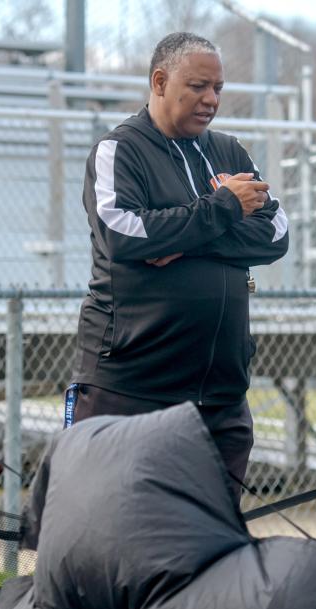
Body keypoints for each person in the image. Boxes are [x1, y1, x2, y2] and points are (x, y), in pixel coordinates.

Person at [67, 32, 289, 495]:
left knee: (212, 547)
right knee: (108, 537)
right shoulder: (120, 151)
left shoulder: (229, 151)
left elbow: (276, 234)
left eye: (219, 89)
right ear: (160, 81)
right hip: (131, 390)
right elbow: (123, 234)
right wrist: (222, 210)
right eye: (198, 86)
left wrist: (184, 239)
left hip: (220, 397)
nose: (210, 100)